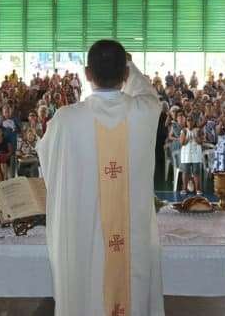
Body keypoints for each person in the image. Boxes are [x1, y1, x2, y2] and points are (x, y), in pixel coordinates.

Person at [37, 40, 164, 316]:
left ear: (87, 73)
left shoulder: (66, 120)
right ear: (126, 75)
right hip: (132, 243)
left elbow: (48, 163)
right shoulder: (145, 112)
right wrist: (128, 64)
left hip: (85, 235)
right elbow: (147, 92)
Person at [179, 119, 203, 195]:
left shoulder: (198, 130)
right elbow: (182, 143)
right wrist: (188, 137)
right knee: (186, 172)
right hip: (186, 154)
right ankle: (184, 189)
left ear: (194, 122)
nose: (190, 122)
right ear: (186, 122)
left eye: (191, 120)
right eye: (188, 120)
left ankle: (198, 189)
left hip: (196, 154)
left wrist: (195, 137)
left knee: (196, 171)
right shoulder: (184, 131)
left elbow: (200, 142)